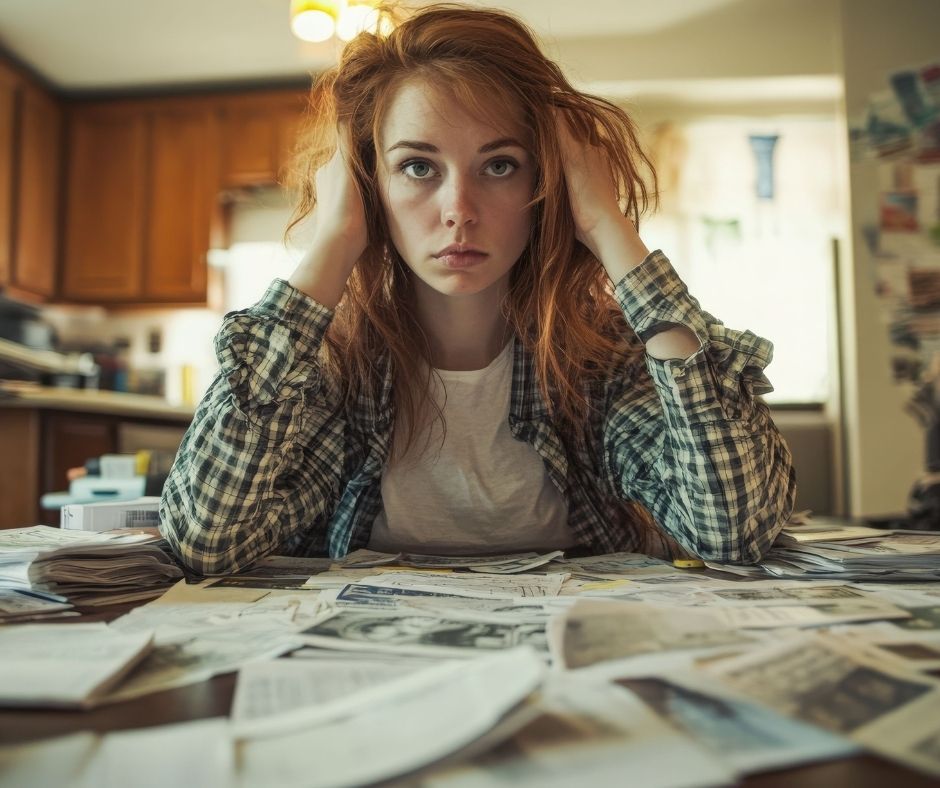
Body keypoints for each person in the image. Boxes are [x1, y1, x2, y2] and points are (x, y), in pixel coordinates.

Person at [159, 3, 795, 576]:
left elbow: (732, 533)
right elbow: (207, 540)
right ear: (367, 187)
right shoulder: (328, 370)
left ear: (545, 186)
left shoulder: (605, 362)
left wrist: (608, 225)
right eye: (417, 167)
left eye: (499, 165)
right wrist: (331, 244)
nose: (458, 208)